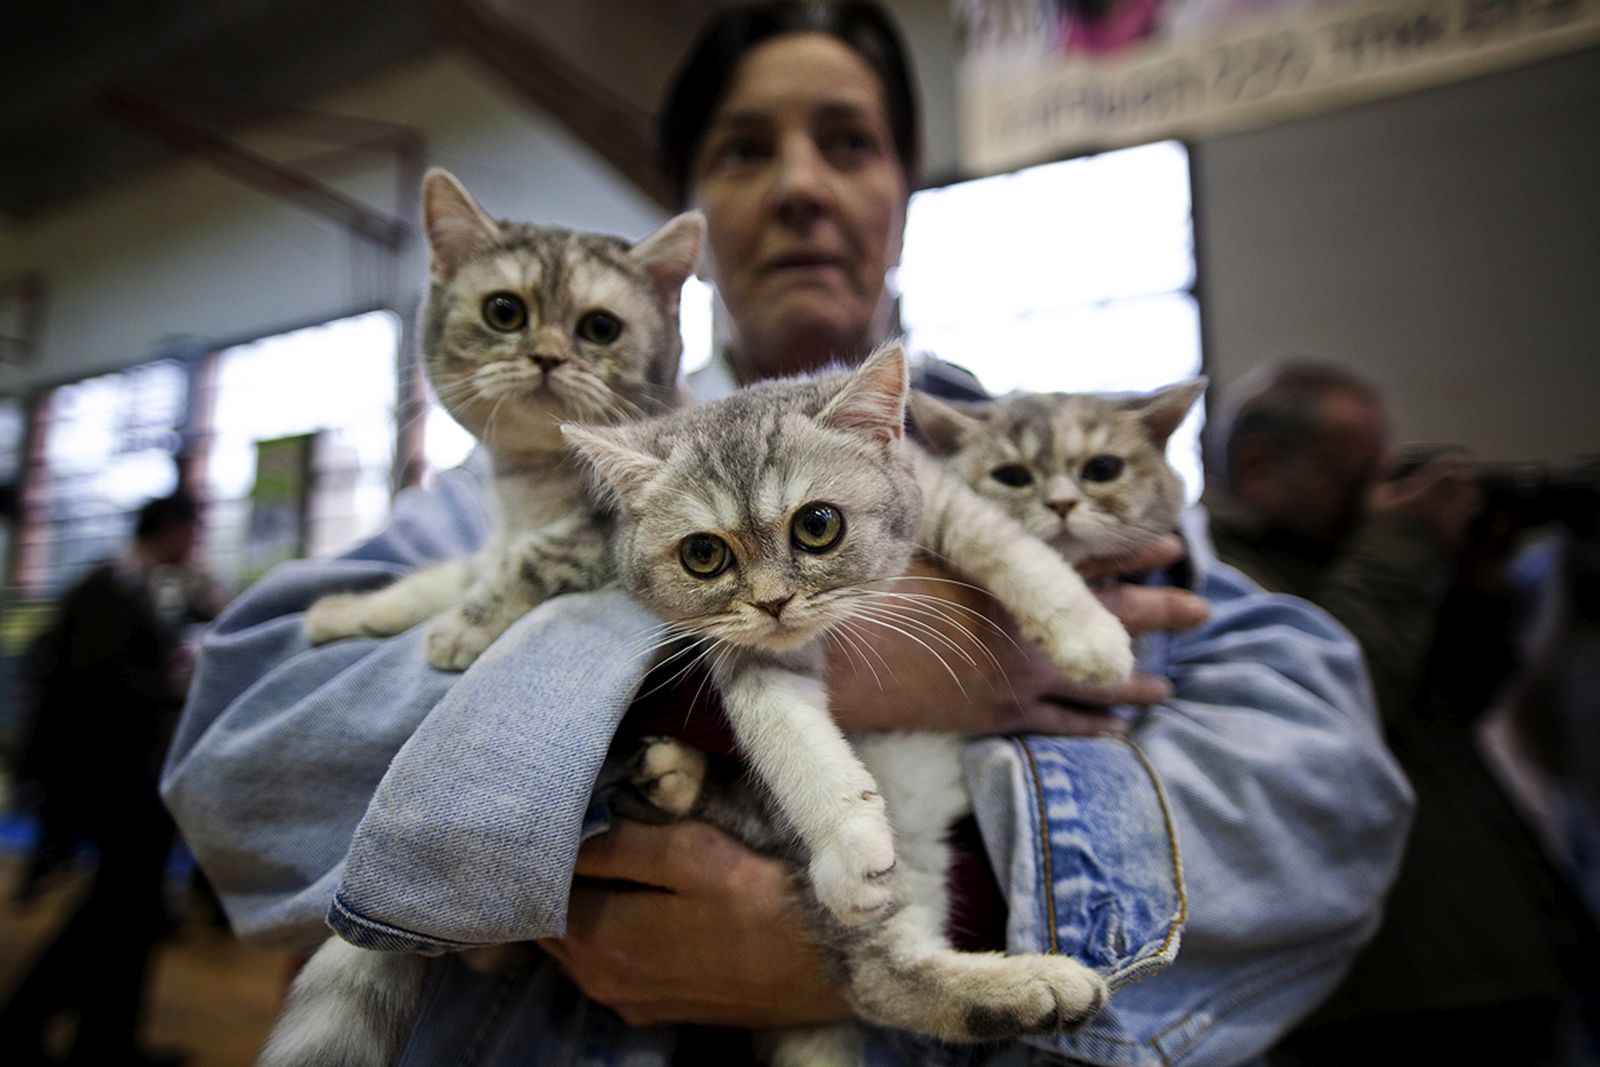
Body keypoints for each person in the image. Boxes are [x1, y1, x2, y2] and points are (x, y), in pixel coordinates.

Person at [161, 4, 1410, 1065]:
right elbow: (243, 765)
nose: (804, 185)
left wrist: (940, 904)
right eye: (747, 148)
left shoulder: (1042, 461)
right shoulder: (527, 483)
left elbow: (1327, 791)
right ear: (686, 224)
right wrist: (732, 681)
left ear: (902, 195)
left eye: (851, 144)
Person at [1204, 362, 1599, 1065]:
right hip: (1385, 1002)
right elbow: (1322, 715)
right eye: (1354, 474)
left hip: (1503, 955)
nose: (1380, 495)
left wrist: (1475, 585)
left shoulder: (1350, 555)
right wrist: (1399, 549)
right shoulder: (1219, 573)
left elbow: (1453, 711)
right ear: (1259, 466)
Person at [2, 491, 205, 1067]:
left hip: (123, 779)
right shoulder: (108, 590)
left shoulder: (133, 589)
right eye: (190, 533)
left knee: (125, 914)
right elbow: (102, 682)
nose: (194, 546)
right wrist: (172, 693)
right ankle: (27, 1025)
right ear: (168, 531)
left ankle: (104, 1039)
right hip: (110, 781)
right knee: (114, 912)